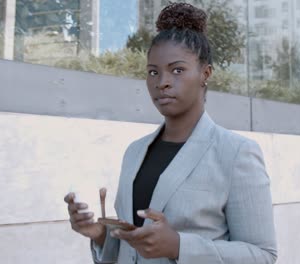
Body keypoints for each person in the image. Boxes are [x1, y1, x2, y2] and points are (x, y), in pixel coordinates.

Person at [64, 3, 277, 263]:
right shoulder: (135, 152)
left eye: (177, 70)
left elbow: (263, 255)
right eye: (153, 72)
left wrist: (179, 246)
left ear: (205, 74)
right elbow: (132, 248)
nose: (161, 81)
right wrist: (99, 235)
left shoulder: (236, 153)